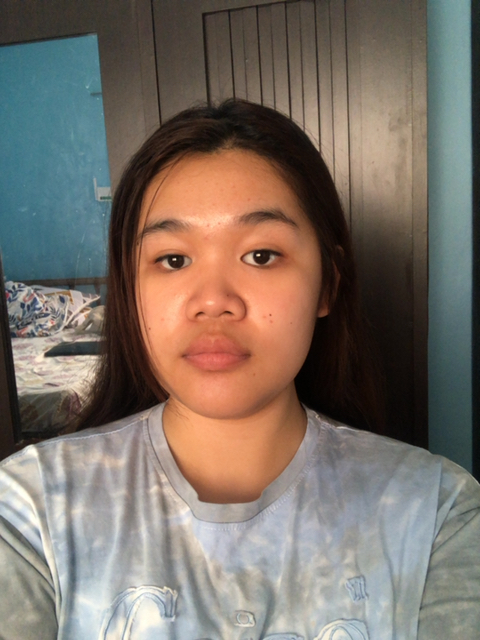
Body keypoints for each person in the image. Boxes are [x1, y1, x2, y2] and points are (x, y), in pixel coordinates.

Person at [0, 100, 478, 639]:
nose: (213, 301)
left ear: (328, 283)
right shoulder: (30, 511)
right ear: (132, 291)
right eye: (173, 259)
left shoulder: (436, 514)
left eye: (261, 256)